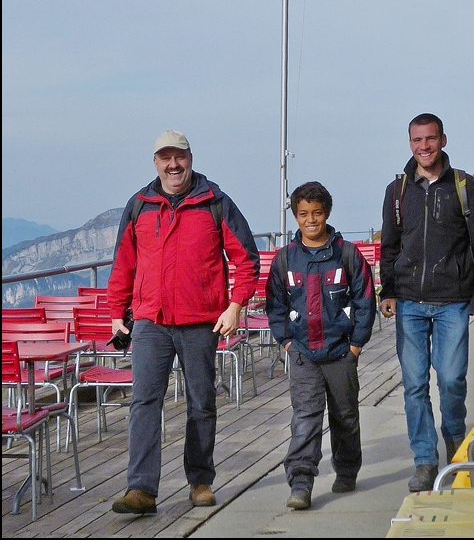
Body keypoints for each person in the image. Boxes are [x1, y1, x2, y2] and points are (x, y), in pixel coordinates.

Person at [107, 130, 259, 515]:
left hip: (200, 321)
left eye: (180, 157)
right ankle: (141, 489)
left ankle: (200, 482)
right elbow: (123, 262)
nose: (173, 165)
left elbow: (247, 259)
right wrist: (115, 313)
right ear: (155, 162)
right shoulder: (139, 205)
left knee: (201, 402)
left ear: (191, 157)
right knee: (144, 402)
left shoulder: (216, 203)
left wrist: (235, 306)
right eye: (165, 158)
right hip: (150, 321)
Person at [379, 113, 474, 492]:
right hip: (410, 303)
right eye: (417, 140)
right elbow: (389, 246)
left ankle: (456, 447)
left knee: (450, 380)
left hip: (454, 303)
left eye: (430, 139)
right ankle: (426, 462)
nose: (424, 147)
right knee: (414, 385)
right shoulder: (397, 190)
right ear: (409, 143)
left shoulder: (465, 186)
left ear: (443, 140)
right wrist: (389, 290)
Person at [265, 181, 377, 511]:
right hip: (302, 355)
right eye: (303, 214)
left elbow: (366, 299)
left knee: (345, 416)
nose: (311, 220)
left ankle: (346, 471)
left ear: (326, 212)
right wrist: (286, 342)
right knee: (306, 418)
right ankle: (301, 482)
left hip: (342, 352)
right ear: (295, 216)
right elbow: (275, 305)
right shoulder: (285, 260)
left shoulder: (348, 254)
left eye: (316, 213)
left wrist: (356, 345)